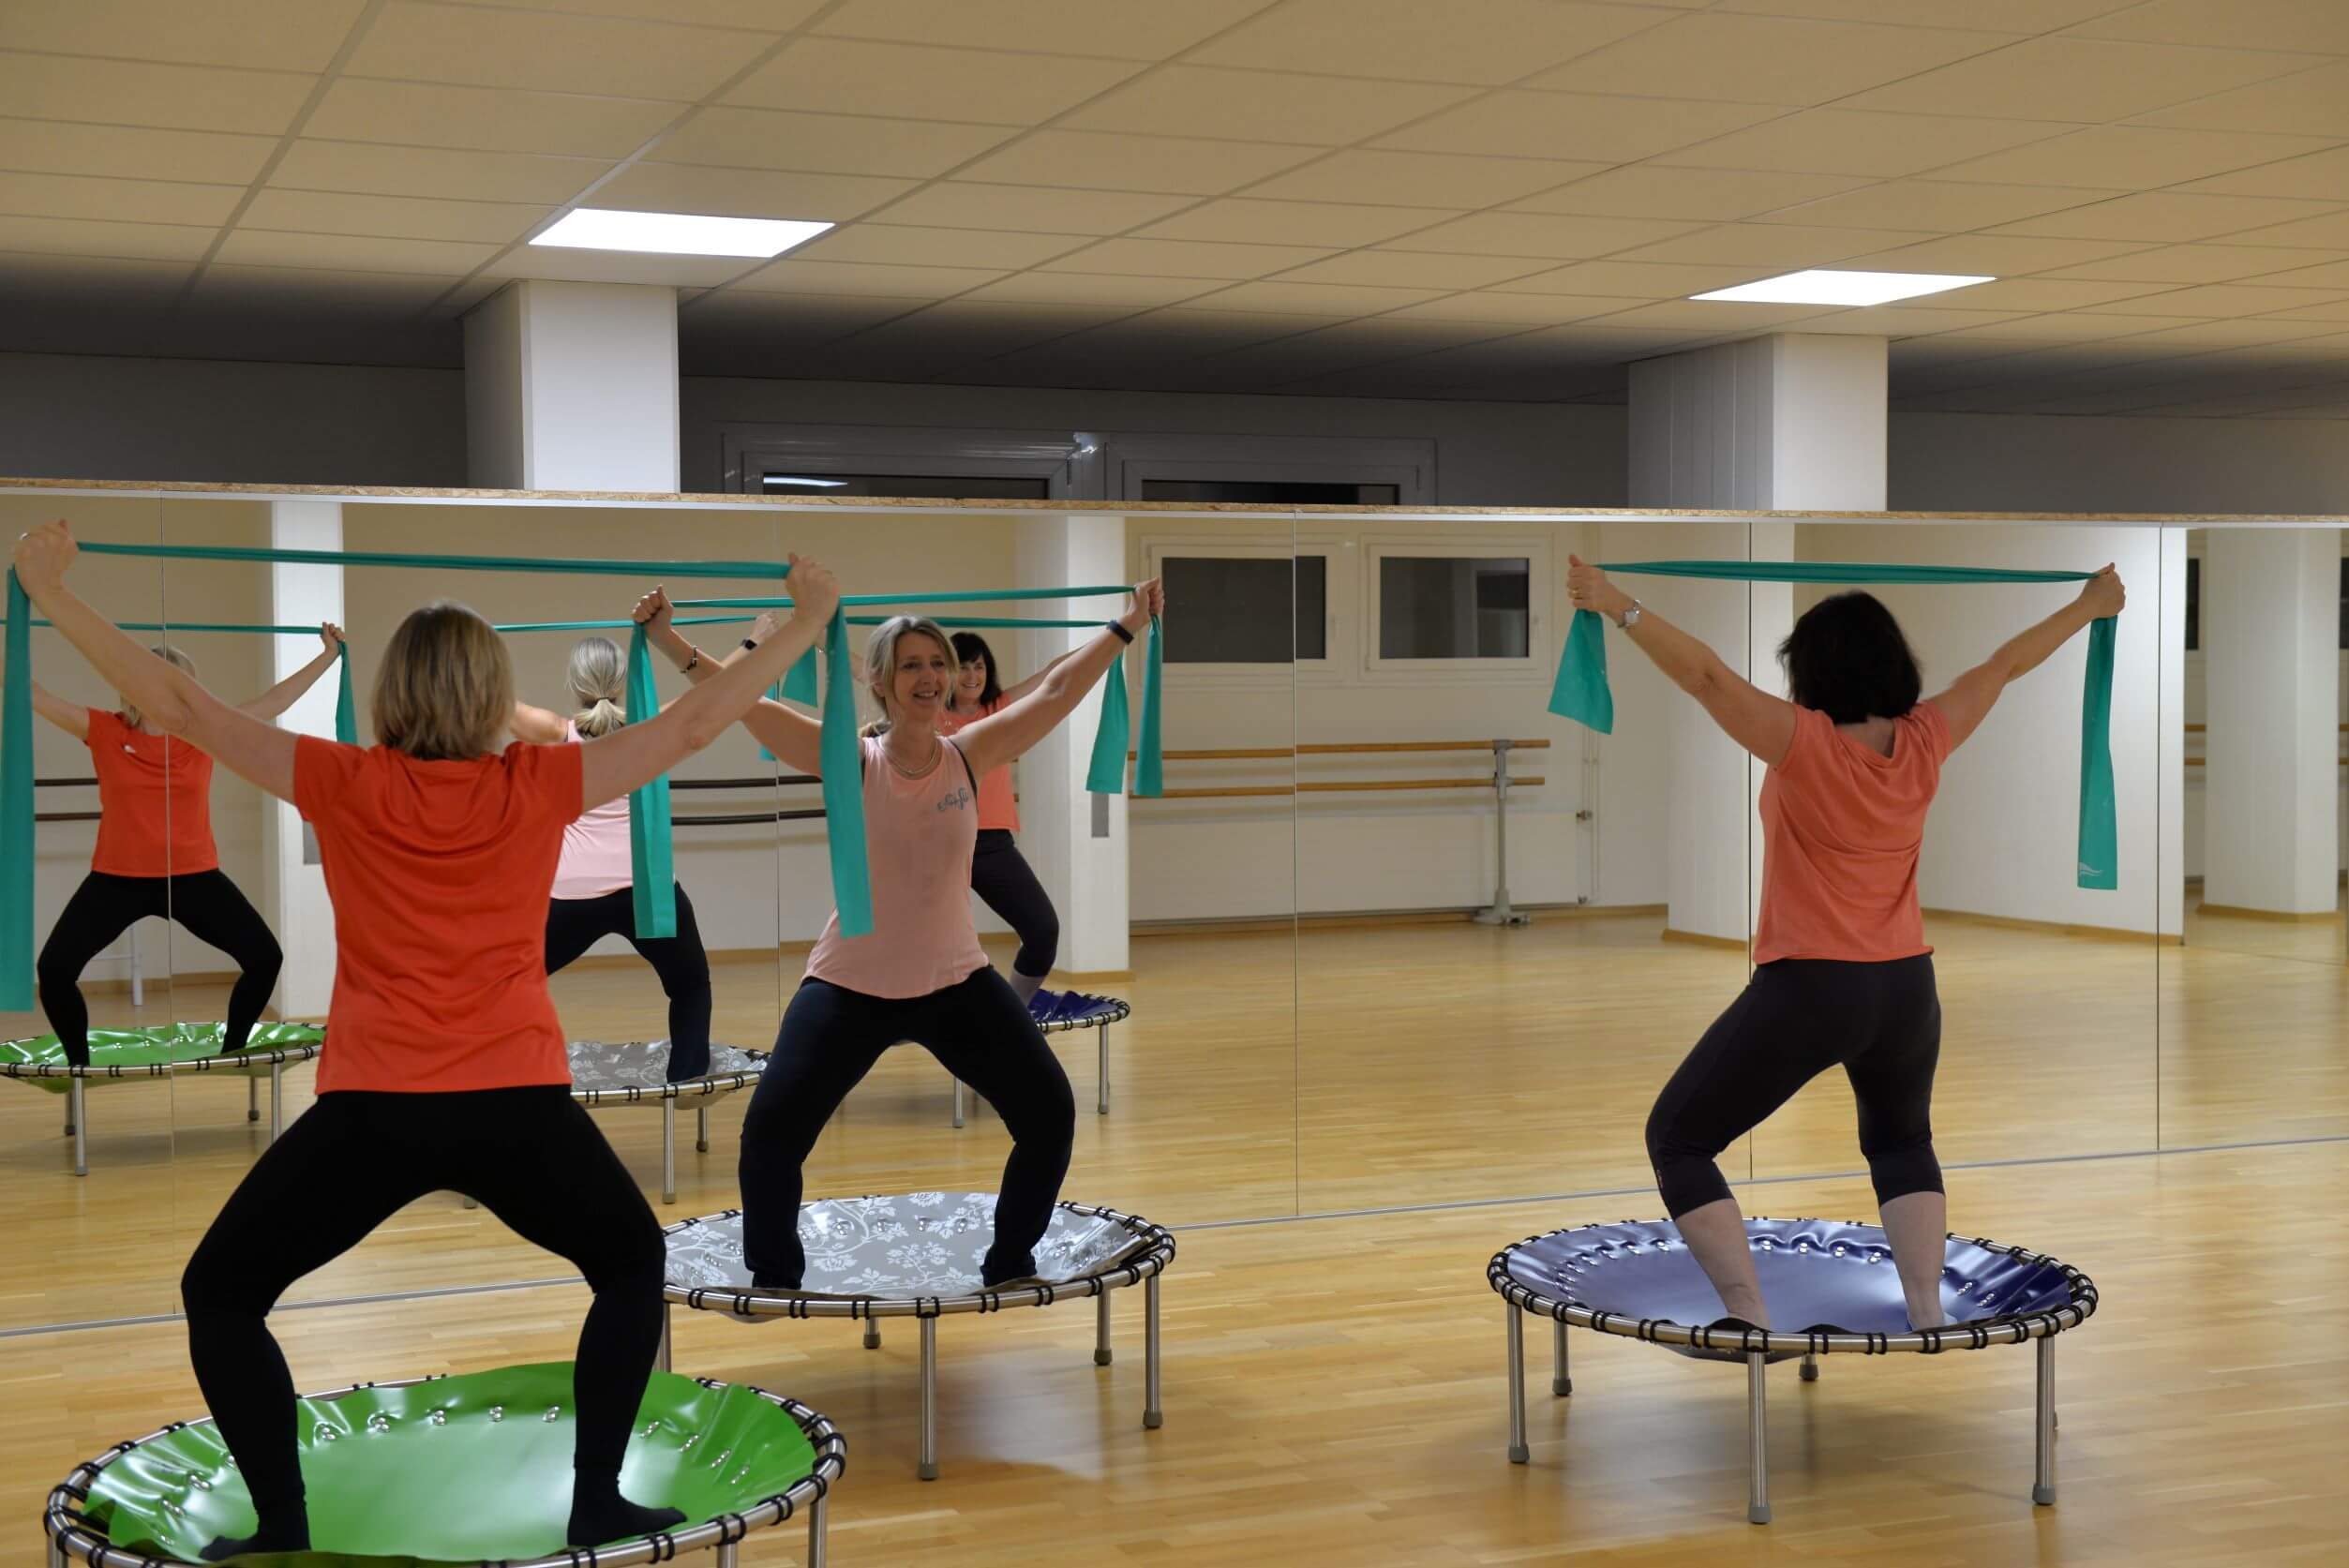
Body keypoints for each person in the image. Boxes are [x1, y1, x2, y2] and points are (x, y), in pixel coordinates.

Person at [11, 519, 840, 1561]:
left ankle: (284, 1523)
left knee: (219, 1295)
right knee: (628, 1264)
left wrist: (52, 593)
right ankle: (594, 1499)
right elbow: (694, 724)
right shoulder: (539, 782)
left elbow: (179, 703)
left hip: (374, 1113)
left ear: (394, 692)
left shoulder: (342, 779)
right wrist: (807, 619)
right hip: (515, 1109)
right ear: (492, 698)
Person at [1565, 553, 2126, 1337]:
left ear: (1814, 673)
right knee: (1901, 1141)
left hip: (1814, 987)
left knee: (1679, 1137)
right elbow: (2004, 666)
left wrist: (1615, 603)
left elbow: (1707, 678)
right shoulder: (1927, 736)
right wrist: (2091, 605)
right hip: (1906, 989)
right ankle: (1928, 1312)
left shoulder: (1806, 743)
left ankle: (1748, 1315)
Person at [638, 582, 1161, 1291]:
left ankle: (1010, 1261)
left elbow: (1060, 690)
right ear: (881, 682)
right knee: (769, 1138)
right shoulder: (854, 759)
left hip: (956, 982)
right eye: (912, 665)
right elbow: (742, 705)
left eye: (937, 664)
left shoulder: (967, 754)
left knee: (1049, 1114)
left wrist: (1125, 625)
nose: (931, 677)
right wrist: (670, 640)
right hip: (850, 985)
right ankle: (775, 1276)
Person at [30, 624, 343, 1067]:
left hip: (195, 877)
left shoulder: (205, 732)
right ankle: (79, 1065)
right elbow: (35, 695)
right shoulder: (102, 729)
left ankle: (234, 1050)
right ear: (135, 687)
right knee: (55, 971)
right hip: (117, 880)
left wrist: (328, 656)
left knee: (264, 957)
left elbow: (275, 702)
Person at [514, 623, 754, 1083]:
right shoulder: (652, 728)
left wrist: (462, 643)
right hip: (645, 889)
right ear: (621, 681)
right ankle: (685, 1080)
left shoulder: (554, 732)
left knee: (504, 983)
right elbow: (719, 689)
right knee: (689, 985)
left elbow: (488, 700)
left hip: (569, 895)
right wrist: (752, 645)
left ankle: (508, 1073)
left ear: (575, 683)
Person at [942, 630, 1076, 1017]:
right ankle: (901, 1017)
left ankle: (1013, 1013)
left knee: (1043, 929)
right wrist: (817, 634)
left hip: (991, 844)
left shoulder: (998, 707)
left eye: (979, 666)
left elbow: (1054, 675)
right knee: (929, 942)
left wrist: (1119, 634)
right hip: (940, 842)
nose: (972, 675)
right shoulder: (929, 711)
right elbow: (869, 673)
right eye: (963, 666)